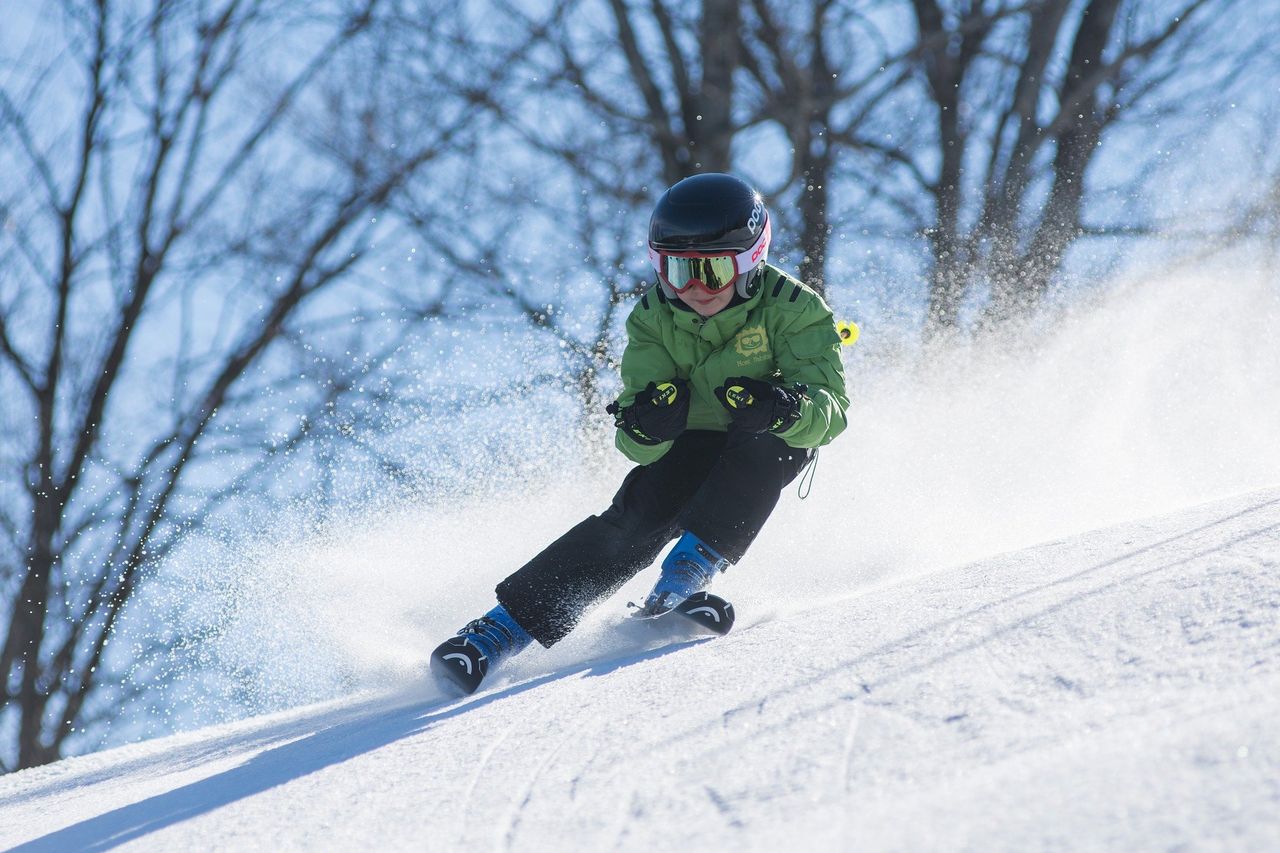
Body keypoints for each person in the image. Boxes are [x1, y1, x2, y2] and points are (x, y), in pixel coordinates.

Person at [429, 172, 850, 694]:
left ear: (750, 262)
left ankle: (682, 581)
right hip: (689, 441)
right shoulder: (653, 316)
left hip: (760, 435)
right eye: (676, 271)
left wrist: (784, 408)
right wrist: (648, 424)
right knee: (639, 516)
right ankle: (496, 633)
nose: (693, 289)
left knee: (773, 449)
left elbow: (831, 412)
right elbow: (633, 440)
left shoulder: (795, 308)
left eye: (713, 271)